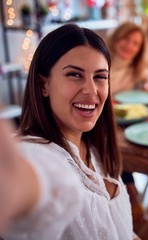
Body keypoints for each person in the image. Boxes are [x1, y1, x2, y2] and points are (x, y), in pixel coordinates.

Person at [1, 24, 139, 239]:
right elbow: (37, 179)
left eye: (100, 76)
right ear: (43, 85)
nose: (91, 90)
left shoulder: (95, 147)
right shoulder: (38, 152)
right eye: (75, 74)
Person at [107, 21, 148, 226]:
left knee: (130, 141)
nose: (129, 47)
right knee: (117, 145)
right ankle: (132, 197)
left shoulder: (135, 68)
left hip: (119, 121)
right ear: (117, 37)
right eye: (126, 39)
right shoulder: (101, 61)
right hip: (98, 120)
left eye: (135, 44)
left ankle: (130, 198)